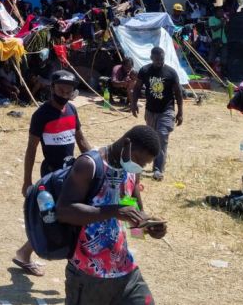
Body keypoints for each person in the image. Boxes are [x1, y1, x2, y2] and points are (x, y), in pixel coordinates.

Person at [56, 125, 166, 305]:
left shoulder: (132, 172)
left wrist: (150, 229)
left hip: (125, 271)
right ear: (126, 143)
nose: (139, 167)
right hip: (88, 274)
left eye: (144, 165)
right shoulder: (89, 165)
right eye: (138, 160)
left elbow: (133, 223)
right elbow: (64, 211)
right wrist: (114, 211)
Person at [14, 69, 93, 277]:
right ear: (52, 88)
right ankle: (70, 262)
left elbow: (81, 140)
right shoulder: (41, 115)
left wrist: (96, 162)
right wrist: (26, 181)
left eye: (69, 91)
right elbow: (31, 149)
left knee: (60, 218)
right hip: (51, 177)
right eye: (61, 89)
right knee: (59, 218)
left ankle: (24, 253)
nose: (64, 94)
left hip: (71, 174)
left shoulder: (72, 111)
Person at [130, 47, 183, 181]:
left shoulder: (171, 73)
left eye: (162, 59)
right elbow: (137, 88)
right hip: (150, 110)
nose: (160, 62)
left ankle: (158, 169)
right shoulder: (145, 71)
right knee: (151, 138)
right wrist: (133, 103)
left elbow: (178, 93)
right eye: (157, 59)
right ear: (152, 58)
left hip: (166, 110)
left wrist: (180, 112)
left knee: (161, 137)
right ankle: (143, 163)